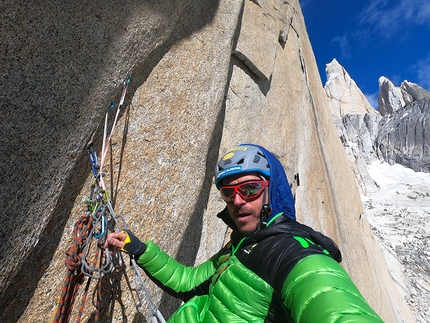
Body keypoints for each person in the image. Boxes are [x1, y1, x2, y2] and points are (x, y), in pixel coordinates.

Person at [105, 144, 384, 322]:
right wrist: (138, 248)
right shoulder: (238, 247)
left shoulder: (291, 252)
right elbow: (187, 281)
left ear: (270, 190)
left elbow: (336, 307)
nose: (238, 201)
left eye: (250, 188)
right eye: (228, 192)